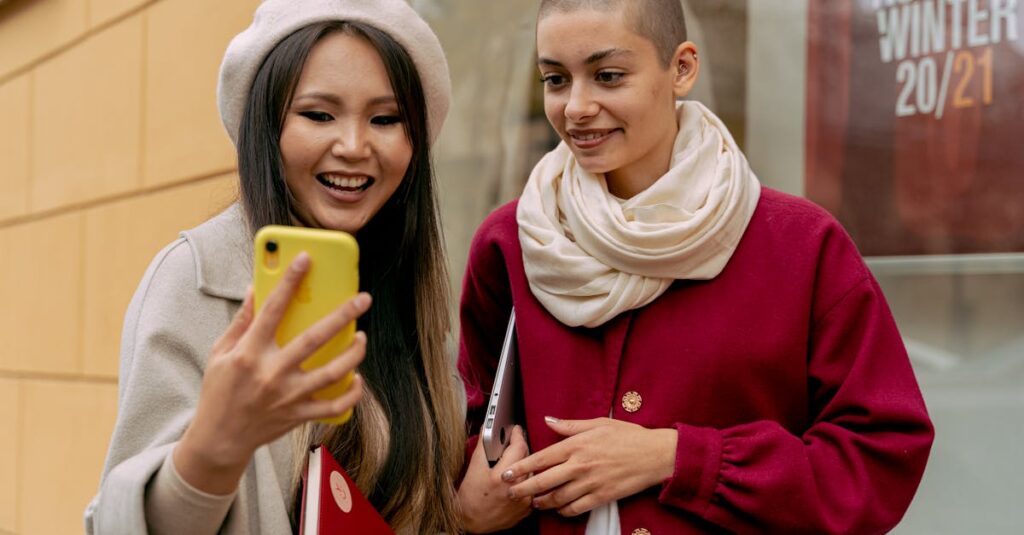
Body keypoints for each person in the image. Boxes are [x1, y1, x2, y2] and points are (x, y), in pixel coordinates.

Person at [456, 0, 935, 533]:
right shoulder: (512, 242)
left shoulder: (802, 245)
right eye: (555, 79)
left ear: (682, 68)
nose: (575, 107)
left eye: (608, 76)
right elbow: (470, 432)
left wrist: (679, 458)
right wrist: (471, 502)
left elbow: (879, 455)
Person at [84, 1, 465, 533]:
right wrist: (216, 448)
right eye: (318, 114)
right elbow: (128, 524)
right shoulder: (194, 281)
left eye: (385, 119)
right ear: (267, 127)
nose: (354, 146)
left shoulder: (407, 292)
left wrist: (463, 510)